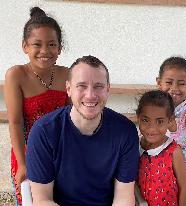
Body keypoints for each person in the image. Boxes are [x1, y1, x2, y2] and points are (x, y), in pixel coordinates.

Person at [26, 55, 140, 205]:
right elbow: (42, 200)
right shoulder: (44, 132)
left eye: (98, 86)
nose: (90, 95)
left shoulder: (125, 131)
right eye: (81, 86)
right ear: (68, 89)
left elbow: (124, 197)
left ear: (107, 89)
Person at [4, 7, 69, 205]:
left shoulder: (68, 74)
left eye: (51, 44)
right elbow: (15, 122)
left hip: (62, 153)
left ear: (59, 47)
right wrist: (22, 163)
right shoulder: (16, 75)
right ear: (25, 46)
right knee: (30, 199)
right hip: (28, 153)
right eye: (36, 44)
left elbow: (73, 118)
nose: (45, 51)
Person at [156, 56, 186, 205]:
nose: (174, 88)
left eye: (181, 83)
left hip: (185, 184)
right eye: (169, 82)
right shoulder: (153, 110)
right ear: (159, 82)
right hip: (157, 182)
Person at [136, 90, 186, 206]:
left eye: (160, 121)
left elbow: (184, 188)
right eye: (146, 120)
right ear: (138, 118)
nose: (152, 129)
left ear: (170, 121)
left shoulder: (174, 151)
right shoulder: (135, 146)